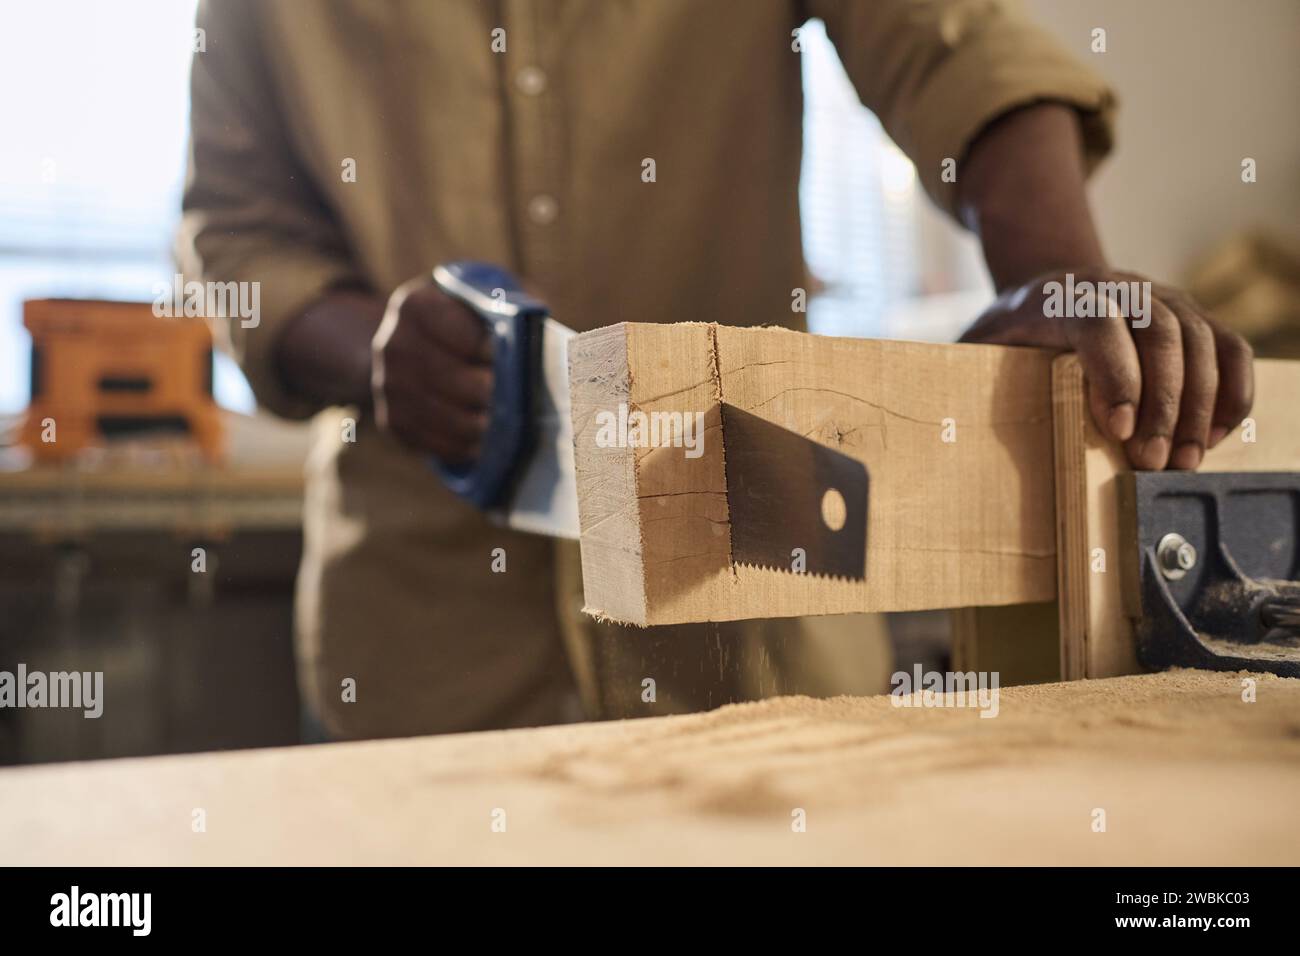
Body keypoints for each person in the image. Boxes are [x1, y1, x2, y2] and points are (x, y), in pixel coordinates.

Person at [178, 0, 1253, 740]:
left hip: (761, 623)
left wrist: (1064, 283)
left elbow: (954, 43)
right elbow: (237, 236)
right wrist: (372, 353)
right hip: (424, 644)